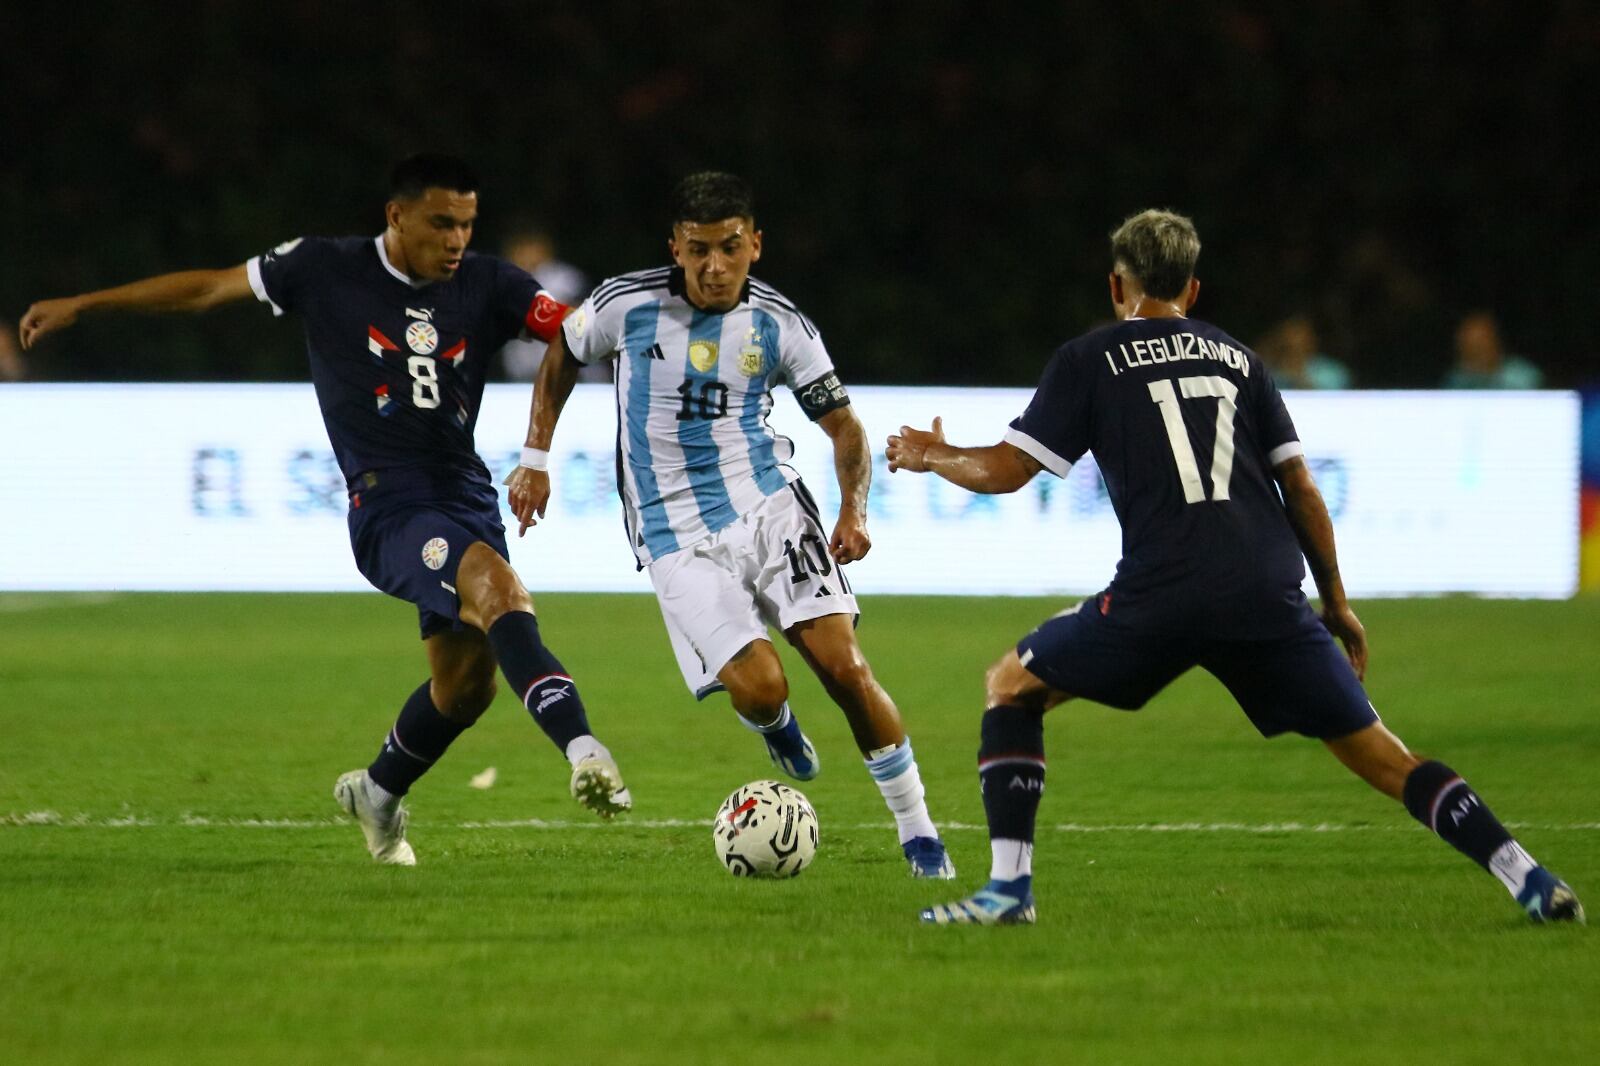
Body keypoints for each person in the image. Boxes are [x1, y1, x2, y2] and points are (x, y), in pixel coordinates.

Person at [886, 208, 1584, 925]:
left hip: (1162, 591)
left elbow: (1007, 470)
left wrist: (930, 454)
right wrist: (1336, 601)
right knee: (1384, 756)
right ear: (1192, 290)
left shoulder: (1089, 359)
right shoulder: (1241, 359)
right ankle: (1528, 876)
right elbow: (1300, 488)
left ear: (1117, 286)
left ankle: (1009, 892)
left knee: (1011, 686)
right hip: (1264, 592)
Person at [18, 154, 631, 865]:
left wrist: (539, 451)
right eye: (441, 223)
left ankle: (377, 791)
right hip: (389, 503)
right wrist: (86, 304)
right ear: (396, 215)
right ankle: (584, 751)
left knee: (465, 687)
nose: (457, 240)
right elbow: (209, 288)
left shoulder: (490, 282)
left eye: (467, 224)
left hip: (467, 495)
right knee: (499, 591)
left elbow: (574, 336)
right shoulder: (322, 268)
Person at [506, 171, 955, 878]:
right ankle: (776, 725)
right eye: (699, 250)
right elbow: (564, 349)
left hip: (769, 507)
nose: (715, 266)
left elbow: (844, 426)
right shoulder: (626, 304)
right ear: (675, 248)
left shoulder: (781, 324)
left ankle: (919, 832)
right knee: (762, 688)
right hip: (673, 535)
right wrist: (535, 457)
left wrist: (854, 511)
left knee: (846, 668)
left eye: (731, 248)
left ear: (756, 245)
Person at [494, 221, 602, 382]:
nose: (524, 254)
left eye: (529, 247)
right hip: (522, 379)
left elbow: (587, 324)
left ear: (545, 248)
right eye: (519, 248)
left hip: (575, 379)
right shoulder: (503, 281)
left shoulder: (563, 279)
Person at [1443, 311, 1544, 389]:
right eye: (1469, 346)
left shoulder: (1523, 377)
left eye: (1480, 344)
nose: (1476, 352)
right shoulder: (1454, 380)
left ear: (1495, 341)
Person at [1256, 314, 1352, 389]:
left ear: (1311, 341)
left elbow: (1333, 401)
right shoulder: (1270, 374)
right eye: (1288, 346)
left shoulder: (1332, 373)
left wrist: (1299, 378)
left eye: (1300, 344)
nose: (1295, 350)